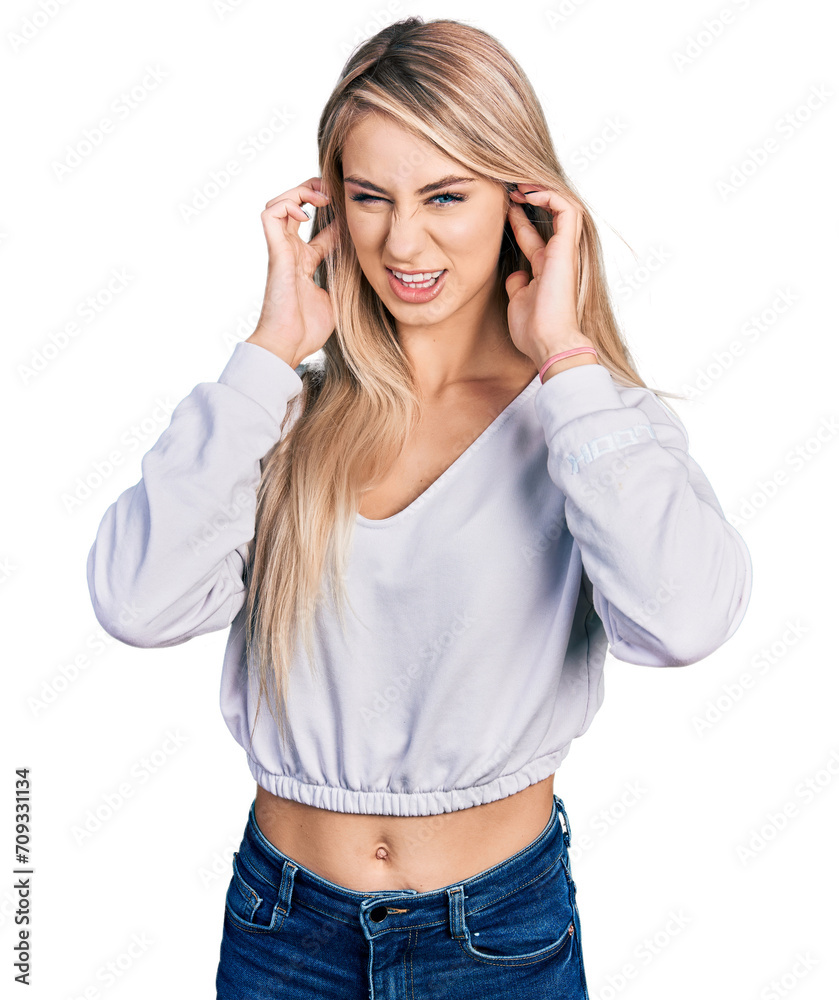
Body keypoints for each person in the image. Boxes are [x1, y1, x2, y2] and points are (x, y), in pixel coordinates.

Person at [86, 16, 753, 999]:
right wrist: (269, 350)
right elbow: (138, 605)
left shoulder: (587, 422)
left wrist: (566, 356)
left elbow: (684, 622)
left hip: (495, 939)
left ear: (524, 205)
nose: (403, 240)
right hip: (283, 933)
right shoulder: (284, 414)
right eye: (369, 198)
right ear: (330, 209)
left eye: (444, 195)